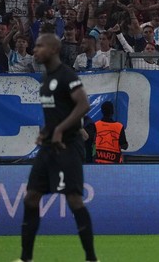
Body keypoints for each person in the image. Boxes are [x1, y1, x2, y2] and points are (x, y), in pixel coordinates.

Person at [13, 34, 98, 262]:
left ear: (53, 49)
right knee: (31, 198)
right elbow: (55, 111)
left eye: (40, 46)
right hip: (50, 145)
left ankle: (91, 258)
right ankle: (25, 258)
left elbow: (83, 104)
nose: (35, 50)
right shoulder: (45, 78)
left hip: (68, 145)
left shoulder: (67, 75)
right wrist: (46, 131)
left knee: (74, 200)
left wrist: (60, 129)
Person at [92, 100, 128, 164]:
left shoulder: (96, 125)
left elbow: (92, 142)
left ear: (102, 111)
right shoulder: (119, 126)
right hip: (115, 162)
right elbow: (124, 146)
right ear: (113, 112)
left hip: (98, 162)